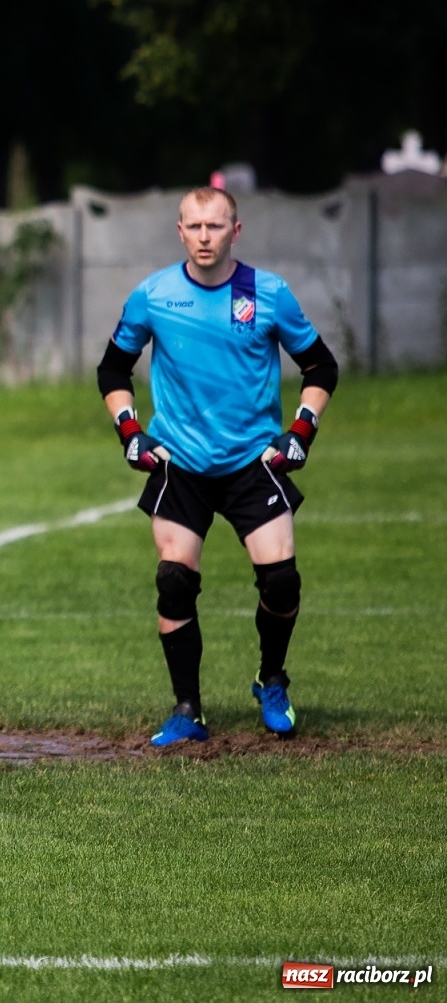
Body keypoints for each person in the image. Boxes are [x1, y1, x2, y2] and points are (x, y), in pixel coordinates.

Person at [96, 187, 339, 746]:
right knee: (174, 580)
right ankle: (188, 710)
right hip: (179, 462)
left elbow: (321, 365)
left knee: (281, 581)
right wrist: (130, 432)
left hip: (253, 462)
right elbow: (113, 370)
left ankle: (271, 679)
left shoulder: (268, 293)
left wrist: (301, 431)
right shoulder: (153, 295)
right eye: (195, 227)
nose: (205, 237)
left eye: (216, 226)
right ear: (179, 231)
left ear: (236, 230)